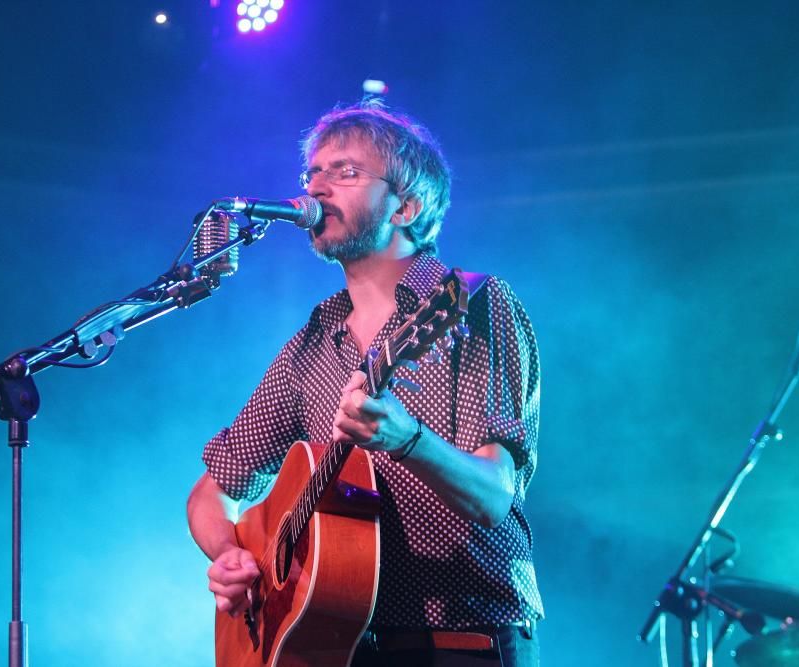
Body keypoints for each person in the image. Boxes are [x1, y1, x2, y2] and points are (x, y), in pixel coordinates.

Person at [186, 100, 543, 666]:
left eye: (345, 171)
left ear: (406, 206)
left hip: (462, 640)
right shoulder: (317, 337)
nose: (316, 187)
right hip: (338, 645)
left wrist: (407, 439)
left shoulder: (471, 305)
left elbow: (495, 494)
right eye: (312, 172)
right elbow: (213, 492)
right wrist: (232, 556)